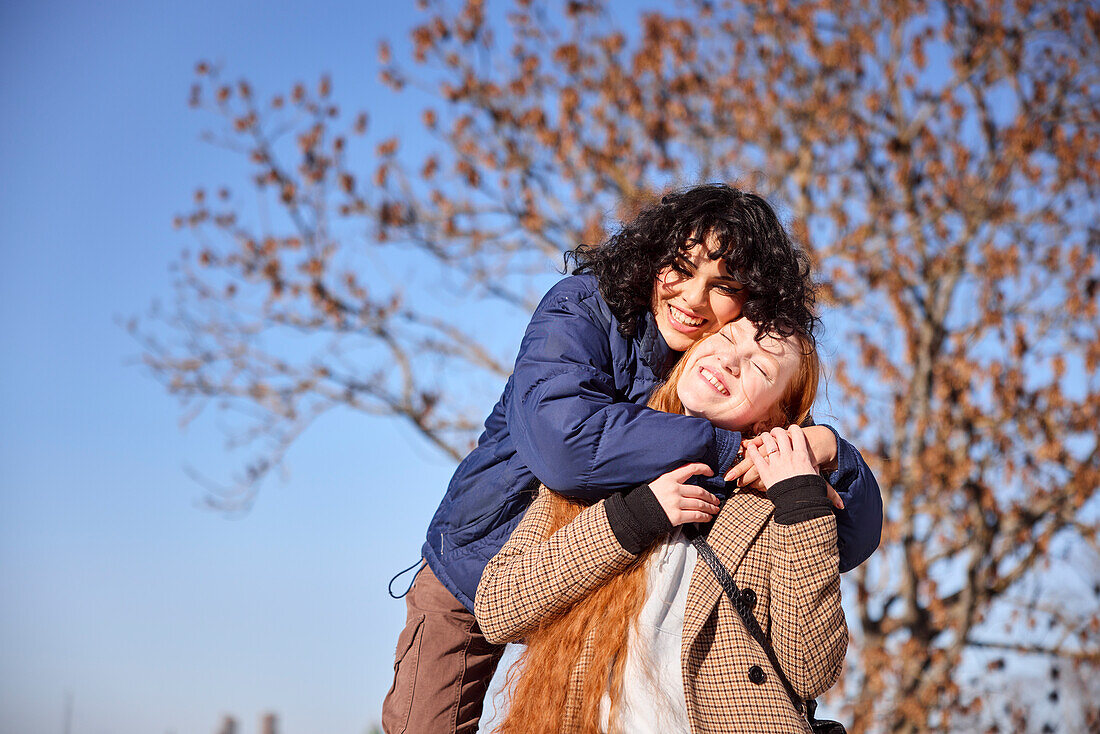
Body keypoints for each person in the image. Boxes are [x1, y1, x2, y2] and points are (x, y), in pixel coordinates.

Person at [381, 185, 880, 734]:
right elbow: (566, 448)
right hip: (485, 555)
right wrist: (724, 450)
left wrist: (827, 455)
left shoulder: (715, 364)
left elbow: (840, 538)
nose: (693, 298)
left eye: (724, 287)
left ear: (749, 301)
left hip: (604, 574)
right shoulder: (583, 310)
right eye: (682, 268)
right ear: (654, 253)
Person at [476, 316, 845, 733]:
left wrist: (802, 502)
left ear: (774, 417)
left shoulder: (781, 507)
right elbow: (498, 609)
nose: (732, 360)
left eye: (761, 368)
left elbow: (813, 670)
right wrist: (635, 515)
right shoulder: (595, 461)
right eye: (726, 337)